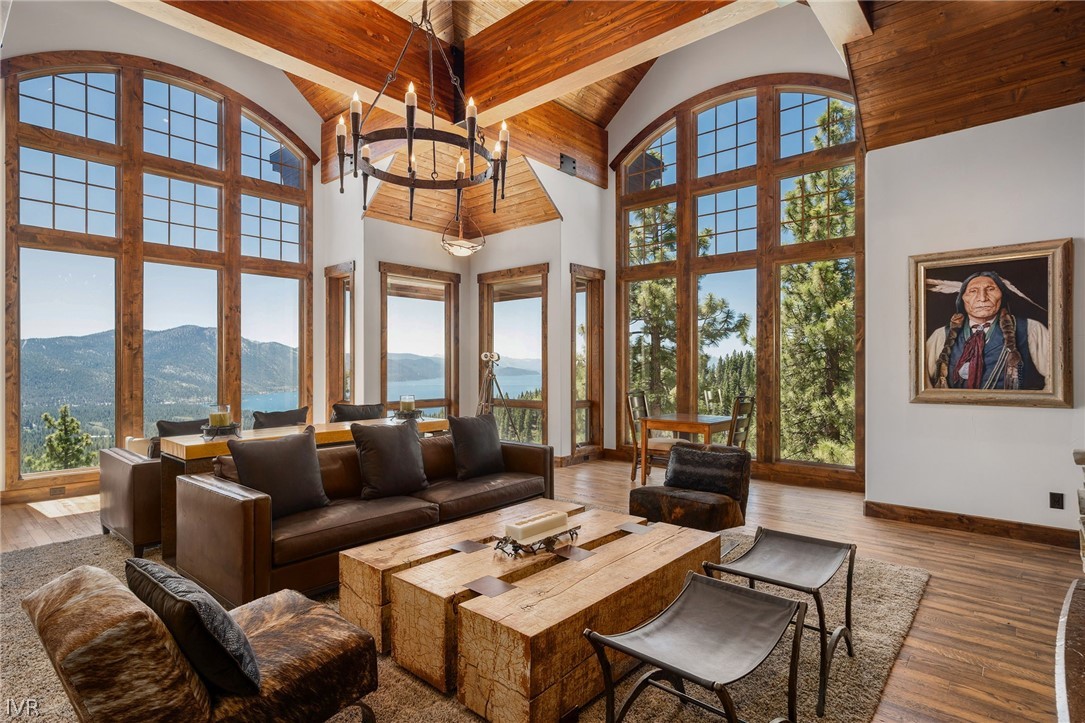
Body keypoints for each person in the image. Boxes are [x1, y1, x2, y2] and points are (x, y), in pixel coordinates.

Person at [925, 271, 1050, 391]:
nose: (982, 298)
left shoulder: (1030, 329)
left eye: (990, 289)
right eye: (973, 291)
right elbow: (922, 383)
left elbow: (1056, 381)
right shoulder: (941, 335)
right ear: (962, 298)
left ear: (1002, 295)